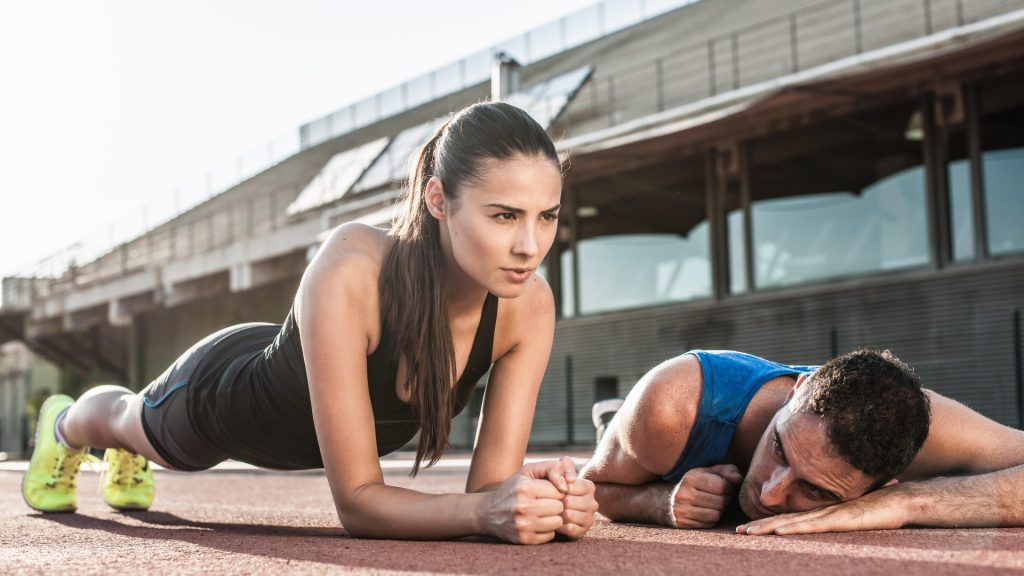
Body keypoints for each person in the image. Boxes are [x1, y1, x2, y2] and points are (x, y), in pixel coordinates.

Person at [22, 102, 599, 545]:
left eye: (546, 216)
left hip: (287, 366)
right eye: (504, 216)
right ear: (438, 200)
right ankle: (66, 424)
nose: (530, 245)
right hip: (220, 398)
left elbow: (488, 498)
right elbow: (359, 503)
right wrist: (487, 510)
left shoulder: (528, 307)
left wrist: (539, 501)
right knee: (130, 422)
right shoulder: (352, 267)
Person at [581, 348, 1024, 534]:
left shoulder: (928, 433)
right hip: (660, 432)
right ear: (798, 391)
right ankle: (613, 418)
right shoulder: (675, 405)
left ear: (883, 482)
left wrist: (908, 503)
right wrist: (662, 502)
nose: (771, 493)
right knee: (627, 439)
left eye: (816, 490)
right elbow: (593, 490)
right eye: (779, 448)